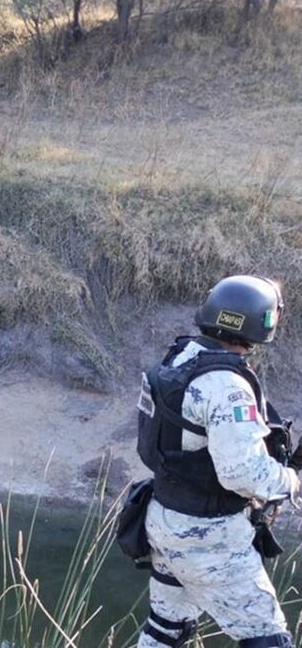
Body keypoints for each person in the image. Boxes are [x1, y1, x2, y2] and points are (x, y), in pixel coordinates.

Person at [136, 275, 299, 647]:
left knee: (166, 629)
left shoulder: (181, 357)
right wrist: (292, 481)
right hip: (209, 538)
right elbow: (243, 474)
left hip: (164, 518)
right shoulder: (227, 386)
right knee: (268, 639)